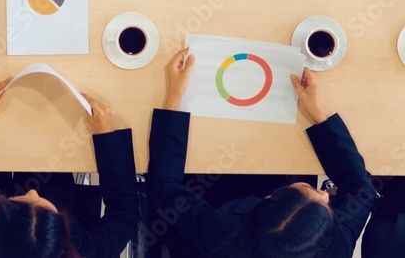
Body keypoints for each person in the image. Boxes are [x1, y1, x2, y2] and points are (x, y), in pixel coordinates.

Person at [146, 49, 376, 257]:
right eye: (325, 201)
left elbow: (164, 187)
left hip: (208, 201)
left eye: (311, 190)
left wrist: (173, 99)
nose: (326, 195)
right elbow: (361, 189)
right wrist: (319, 116)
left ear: (266, 198)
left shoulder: (219, 233)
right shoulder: (334, 248)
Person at [0, 77, 140, 258]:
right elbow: (126, 214)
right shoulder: (85, 250)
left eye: (22, 200)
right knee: (44, 146)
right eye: (41, 205)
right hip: (46, 173)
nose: (31, 192)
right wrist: (106, 135)